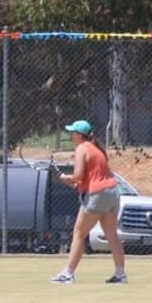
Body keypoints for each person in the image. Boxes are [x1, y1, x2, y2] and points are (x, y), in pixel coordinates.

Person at [50, 119, 127, 284]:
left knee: (79, 234)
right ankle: (121, 275)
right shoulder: (96, 149)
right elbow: (84, 180)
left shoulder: (82, 149)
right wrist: (72, 182)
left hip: (98, 194)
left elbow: (77, 176)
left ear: (79, 135)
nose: (70, 135)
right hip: (113, 192)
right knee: (112, 235)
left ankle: (68, 274)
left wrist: (65, 177)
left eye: (72, 132)